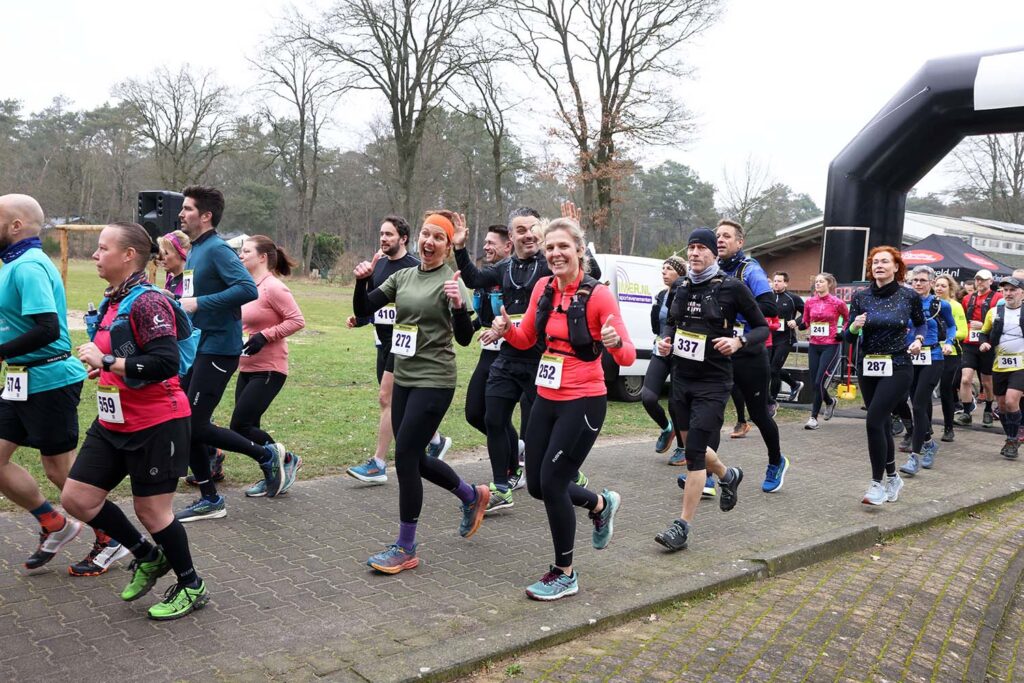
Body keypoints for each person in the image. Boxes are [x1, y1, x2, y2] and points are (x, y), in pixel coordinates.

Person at [62, 221, 207, 620]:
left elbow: (165, 363)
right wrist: (109, 370)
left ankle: (192, 585)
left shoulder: (147, 302)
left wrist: (109, 361)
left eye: (103, 248)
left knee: (151, 511)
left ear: (128, 255)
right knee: (77, 497)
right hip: (114, 421)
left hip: (157, 422)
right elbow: (131, 356)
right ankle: (147, 555)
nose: (95, 254)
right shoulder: (114, 299)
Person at [489, 217, 634, 600]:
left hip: (584, 401)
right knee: (536, 485)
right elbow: (526, 339)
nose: (554, 253)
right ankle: (601, 503)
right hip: (546, 396)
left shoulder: (598, 295)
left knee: (553, 483)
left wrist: (615, 341)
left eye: (562, 247)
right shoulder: (543, 288)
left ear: (579, 251)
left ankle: (565, 572)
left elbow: (629, 353)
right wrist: (508, 330)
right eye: (549, 247)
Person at [353, 209, 489, 574]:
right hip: (405, 375)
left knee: (405, 458)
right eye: (426, 234)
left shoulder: (453, 280)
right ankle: (471, 495)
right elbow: (365, 308)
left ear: (447, 246)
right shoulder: (404, 276)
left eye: (438, 237)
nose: (429, 241)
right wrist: (361, 281)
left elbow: (463, 339)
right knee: (413, 457)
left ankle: (406, 546)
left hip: (435, 379)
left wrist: (460, 306)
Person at [0, 194, 126, 577]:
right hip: (20, 381)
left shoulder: (30, 265)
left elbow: (47, 328)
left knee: (60, 471)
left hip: (50, 380)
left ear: (16, 225)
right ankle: (54, 522)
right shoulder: (10, 264)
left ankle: (111, 536)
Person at [453, 204, 600, 513]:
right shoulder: (504, 267)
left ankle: (569, 471)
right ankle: (501, 487)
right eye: (521, 230)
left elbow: (591, 275)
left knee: (538, 431)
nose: (528, 235)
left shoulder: (550, 265)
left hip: (541, 360)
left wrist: (574, 232)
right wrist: (461, 247)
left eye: (534, 229)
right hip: (507, 357)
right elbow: (473, 277)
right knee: (493, 418)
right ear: (512, 237)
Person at [174, 185, 286, 521]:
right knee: (186, 420)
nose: (182, 214)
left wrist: (198, 303)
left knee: (194, 421)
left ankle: (264, 455)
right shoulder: (196, 250)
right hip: (200, 344)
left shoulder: (218, 249)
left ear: (206, 216)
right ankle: (209, 497)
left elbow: (246, 288)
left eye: (188, 209)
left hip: (220, 348)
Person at [653, 227, 766, 552]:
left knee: (693, 457)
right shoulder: (682, 287)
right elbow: (672, 324)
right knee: (696, 449)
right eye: (691, 248)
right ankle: (729, 476)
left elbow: (761, 326)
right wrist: (666, 341)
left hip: (714, 384)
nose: (695, 253)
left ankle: (682, 527)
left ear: (714, 255)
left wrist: (738, 340)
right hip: (682, 380)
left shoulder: (732, 288)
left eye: (702, 248)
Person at [346, 216, 451, 484]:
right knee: (395, 404)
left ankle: (378, 463)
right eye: (381, 234)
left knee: (386, 398)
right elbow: (372, 304)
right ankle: (435, 440)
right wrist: (360, 319)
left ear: (403, 238)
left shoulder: (416, 267)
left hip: (408, 345)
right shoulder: (379, 265)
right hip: (384, 342)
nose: (384, 239)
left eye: (389, 234)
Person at [845, 246, 925, 506]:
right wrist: (855, 327)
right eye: (875, 262)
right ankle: (893, 478)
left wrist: (919, 339)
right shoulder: (860, 297)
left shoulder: (908, 296)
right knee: (880, 424)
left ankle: (876, 484)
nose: (878, 265)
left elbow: (920, 321)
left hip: (899, 364)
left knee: (873, 420)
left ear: (896, 267)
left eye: (884, 262)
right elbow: (847, 335)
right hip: (868, 365)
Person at [715, 219, 787, 493]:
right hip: (721, 353)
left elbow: (769, 306)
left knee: (759, 414)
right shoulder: (714, 271)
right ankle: (707, 473)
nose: (720, 240)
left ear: (739, 242)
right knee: (713, 412)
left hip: (749, 353)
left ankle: (776, 461)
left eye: (726, 236)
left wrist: (736, 307)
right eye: (718, 236)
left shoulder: (749, 270)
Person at [235, 236, 306, 497]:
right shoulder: (247, 286)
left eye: (246, 251)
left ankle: (286, 459)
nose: (241, 256)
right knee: (249, 429)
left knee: (239, 427)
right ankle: (273, 474)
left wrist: (265, 336)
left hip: (269, 368)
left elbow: (297, 320)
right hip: (246, 367)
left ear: (262, 257)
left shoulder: (273, 287)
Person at [464, 224, 520, 494]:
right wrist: (467, 323)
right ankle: (513, 448)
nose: (486, 247)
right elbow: (483, 314)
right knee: (474, 413)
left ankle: (511, 469)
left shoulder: (514, 274)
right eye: (484, 242)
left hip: (514, 357)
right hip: (488, 353)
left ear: (508, 246)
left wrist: (502, 330)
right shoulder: (490, 274)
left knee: (496, 419)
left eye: (491, 243)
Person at [896, 266, 956, 475]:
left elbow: (951, 326)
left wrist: (949, 342)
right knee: (910, 401)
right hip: (910, 357)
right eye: (914, 281)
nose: (918, 284)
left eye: (922, 280)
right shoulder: (905, 302)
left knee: (919, 405)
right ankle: (929, 443)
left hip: (934, 357)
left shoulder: (941, 305)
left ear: (931, 283)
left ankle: (915, 456)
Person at [643, 256, 686, 464]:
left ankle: (683, 446)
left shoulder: (687, 293)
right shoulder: (661, 295)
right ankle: (667, 428)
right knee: (648, 397)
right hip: (660, 349)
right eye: (663, 268)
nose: (664, 272)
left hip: (681, 354)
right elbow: (655, 326)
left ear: (680, 273)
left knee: (675, 404)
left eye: (669, 269)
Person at [979, 275, 1024, 459]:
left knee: (1012, 401)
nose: (1008, 293)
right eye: (1005, 290)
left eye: (1013, 290)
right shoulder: (994, 312)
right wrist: (984, 343)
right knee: (1003, 405)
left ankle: (1013, 439)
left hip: (1021, 364)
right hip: (999, 364)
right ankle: (1011, 437)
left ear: (1022, 293)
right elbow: (984, 333)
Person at [799, 273, 848, 430]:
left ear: (829, 284)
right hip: (814, 344)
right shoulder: (810, 302)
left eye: (821, 281)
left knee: (819, 381)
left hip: (831, 344)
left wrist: (843, 332)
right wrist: (800, 325)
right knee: (815, 382)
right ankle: (830, 401)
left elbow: (848, 319)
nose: (818, 284)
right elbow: (806, 321)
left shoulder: (837, 302)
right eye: (816, 281)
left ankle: (813, 418)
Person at [956, 269, 1002, 428]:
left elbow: (1001, 321)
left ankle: (988, 409)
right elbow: (962, 319)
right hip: (969, 344)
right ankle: (967, 412)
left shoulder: (998, 298)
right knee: (965, 378)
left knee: (987, 382)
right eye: (977, 280)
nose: (979, 282)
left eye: (983, 280)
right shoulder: (968, 298)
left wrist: (984, 326)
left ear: (990, 281)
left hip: (987, 344)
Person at [933, 274, 968, 443]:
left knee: (946, 389)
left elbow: (963, 332)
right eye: (937, 285)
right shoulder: (929, 304)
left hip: (950, 353)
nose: (939, 288)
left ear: (950, 289)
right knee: (924, 390)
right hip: (930, 353)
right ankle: (925, 426)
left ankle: (948, 428)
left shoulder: (955, 306)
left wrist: (946, 340)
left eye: (943, 286)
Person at [769, 271, 804, 404]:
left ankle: (771, 402)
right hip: (769, 338)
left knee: (774, 370)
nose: (776, 283)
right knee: (769, 369)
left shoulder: (792, 298)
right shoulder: (767, 297)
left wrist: (796, 321)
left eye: (779, 281)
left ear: (786, 283)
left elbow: (807, 313)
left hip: (785, 339)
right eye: (775, 281)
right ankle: (794, 384)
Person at [157, 230, 191, 299]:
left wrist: (174, 298)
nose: (161, 258)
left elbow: (188, 306)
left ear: (181, 252)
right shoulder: (170, 280)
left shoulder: (190, 278)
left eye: (166, 253)